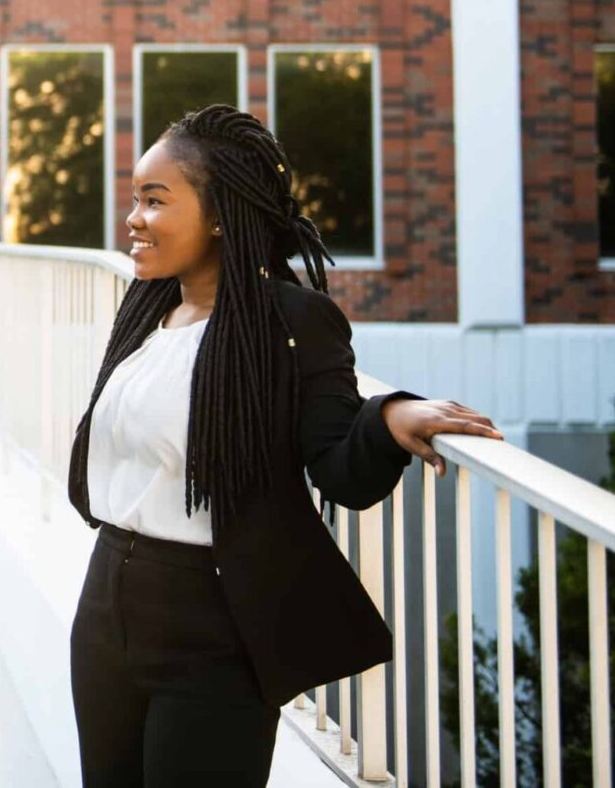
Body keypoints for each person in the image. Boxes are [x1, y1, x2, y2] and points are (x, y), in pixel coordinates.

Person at [65, 104, 502, 786]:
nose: (134, 219)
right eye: (134, 200)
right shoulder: (148, 304)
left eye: (155, 200)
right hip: (106, 606)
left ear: (218, 215)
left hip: (211, 625)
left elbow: (336, 462)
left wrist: (388, 416)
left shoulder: (292, 321)